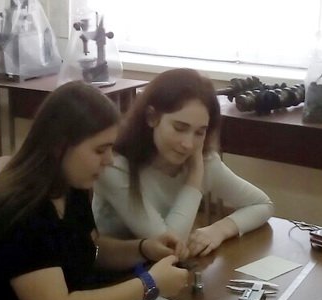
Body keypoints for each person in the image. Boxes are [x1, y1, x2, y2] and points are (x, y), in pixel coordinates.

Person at [0, 81, 188, 300]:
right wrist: (149, 284)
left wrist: (143, 248)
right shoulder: (22, 209)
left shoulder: (70, 187)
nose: (109, 160)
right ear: (59, 146)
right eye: (100, 150)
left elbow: (89, 248)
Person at [93, 68, 274, 257]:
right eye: (179, 128)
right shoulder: (115, 165)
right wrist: (195, 178)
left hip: (169, 269)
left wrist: (218, 230)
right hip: (115, 271)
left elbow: (262, 204)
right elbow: (169, 247)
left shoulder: (202, 159)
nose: (188, 144)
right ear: (151, 117)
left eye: (200, 132)